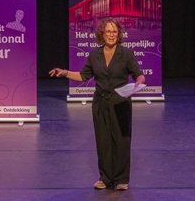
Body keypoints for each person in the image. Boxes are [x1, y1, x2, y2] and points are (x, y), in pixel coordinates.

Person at [49, 17, 144, 191]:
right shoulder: (94, 55)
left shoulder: (126, 54)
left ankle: (121, 178)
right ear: (102, 34)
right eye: (108, 32)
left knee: (121, 140)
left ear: (119, 34)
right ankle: (105, 178)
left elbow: (139, 74)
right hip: (100, 103)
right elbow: (83, 75)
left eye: (114, 32)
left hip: (120, 102)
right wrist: (65, 73)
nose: (111, 35)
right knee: (103, 141)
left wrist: (139, 81)